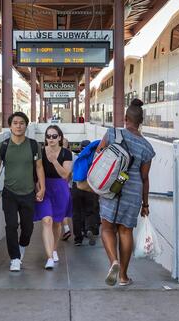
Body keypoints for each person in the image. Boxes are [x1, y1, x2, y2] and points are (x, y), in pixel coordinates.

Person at [96, 99, 154, 286]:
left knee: (106, 228)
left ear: (125, 118)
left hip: (111, 186)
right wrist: (145, 204)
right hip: (132, 191)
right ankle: (123, 276)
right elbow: (145, 178)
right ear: (140, 121)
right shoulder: (147, 147)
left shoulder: (112, 133)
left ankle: (113, 261)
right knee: (125, 231)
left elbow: (99, 156)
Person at [0, 112, 45, 272]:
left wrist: (42, 188)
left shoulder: (34, 145)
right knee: (11, 225)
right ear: (10, 126)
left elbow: (39, 167)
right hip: (9, 193)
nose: (18, 126)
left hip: (28, 193)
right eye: (15, 123)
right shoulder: (3, 146)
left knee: (28, 227)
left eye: (22, 123)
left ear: (26, 126)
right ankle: (14, 258)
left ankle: (22, 245)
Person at [34, 125, 73, 269]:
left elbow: (65, 175)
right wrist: (38, 187)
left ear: (60, 138)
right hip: (45, 187)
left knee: (57, 223)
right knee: (47, 220)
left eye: (54, 136)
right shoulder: (40, 151)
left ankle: (54, 249)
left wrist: (54, 160)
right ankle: (49, 257)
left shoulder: (66, 154)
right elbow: (37, 171)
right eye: (48, 136)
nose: (51, 139)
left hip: (60, 189)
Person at [71, 140, 100, 246]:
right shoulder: (94, 159)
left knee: (76, 213)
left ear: (80, 148)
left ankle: (78, 239)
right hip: (89, 187)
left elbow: (70, 173)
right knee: (90, 211)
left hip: (76, 186)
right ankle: (89, 230)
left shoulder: (77, 158)